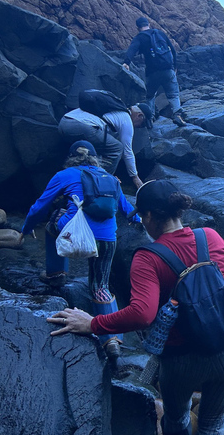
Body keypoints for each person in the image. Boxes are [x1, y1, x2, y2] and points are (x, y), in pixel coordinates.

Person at [48, 180, 224, 435]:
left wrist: (93, 324)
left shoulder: (148, 257)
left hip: (183, 359)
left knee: (176, 419)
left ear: (150, 215)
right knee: (213, 425)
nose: (142, 222)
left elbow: (143, 314)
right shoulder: (211, 236)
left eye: (141, 216)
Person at [20, 141, 141, 361]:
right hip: (106, 239)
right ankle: (111, 339)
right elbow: (126, 208)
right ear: (95, 159)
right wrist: (141, 220)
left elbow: (40, 206)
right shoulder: (109, 178)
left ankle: (56, 274)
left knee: (52, 221)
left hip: (74, 233)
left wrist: (25, 229)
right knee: (100, 285)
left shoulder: (64, 174)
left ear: (71, 157)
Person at [59, 90, 152, 188]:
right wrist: (135, 177)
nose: (139, 127)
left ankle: (77, 174)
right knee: (117, 148)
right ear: (139, 116)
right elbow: (127, 151)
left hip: (64, 122)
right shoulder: (126, 119)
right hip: (82, 127)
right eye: (142, 124)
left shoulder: (113, 108)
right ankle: (102, 182)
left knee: (95, 149)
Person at [122, 17, 187, 127]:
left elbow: (132, 49)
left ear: (137, 27)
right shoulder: (160, 33)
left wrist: (126, 63)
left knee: (150, 96)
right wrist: (174, 67)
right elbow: (172, 50)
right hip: (168, 69)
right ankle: (177, 114)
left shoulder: (140, 37)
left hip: (152, 72)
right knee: (173, 95)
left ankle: (149, 119)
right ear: (148, 24)